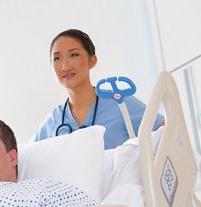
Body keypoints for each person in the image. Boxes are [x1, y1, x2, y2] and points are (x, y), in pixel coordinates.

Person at [32, 29, 164, 149]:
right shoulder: (54, 120)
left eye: (74, 55)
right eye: (57, 58)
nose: (65, 66)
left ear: (92, 60)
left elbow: (165, 131)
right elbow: (27, 157)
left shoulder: (120, 103)